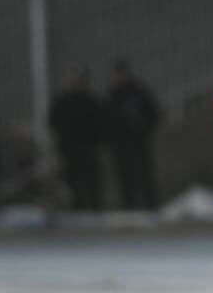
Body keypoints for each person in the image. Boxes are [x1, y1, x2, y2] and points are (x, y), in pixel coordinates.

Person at [103, 60, 162, 210]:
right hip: (119, 144)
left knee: (143, 175)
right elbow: (105, 119)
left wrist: (142, 129)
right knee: (123, 177)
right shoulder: (111, 95)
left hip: (138, 143)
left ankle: (150, 206)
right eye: (116, 75)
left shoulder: (138, 93)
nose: (118, 78)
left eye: (120, 74)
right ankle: (128, 206)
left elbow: (153, 114)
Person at [49, 69, 102, 210]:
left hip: (88, 147)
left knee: (91, 181)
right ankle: (74, 208)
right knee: (71, 181)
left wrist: (95, 140)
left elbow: (99, 124)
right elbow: (53, 121)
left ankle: (93, 208)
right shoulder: (63, 102)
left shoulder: (91, 101)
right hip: (69, 148)